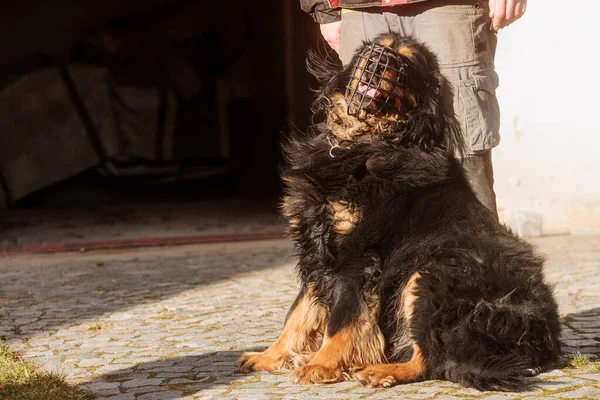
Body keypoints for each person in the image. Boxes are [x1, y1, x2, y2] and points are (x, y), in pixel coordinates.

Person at [299, 0, 528, 219]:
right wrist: (324, 6)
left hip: (449, 7)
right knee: (357, 151)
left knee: (466, 152)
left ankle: (479, 257)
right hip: (359, 9)